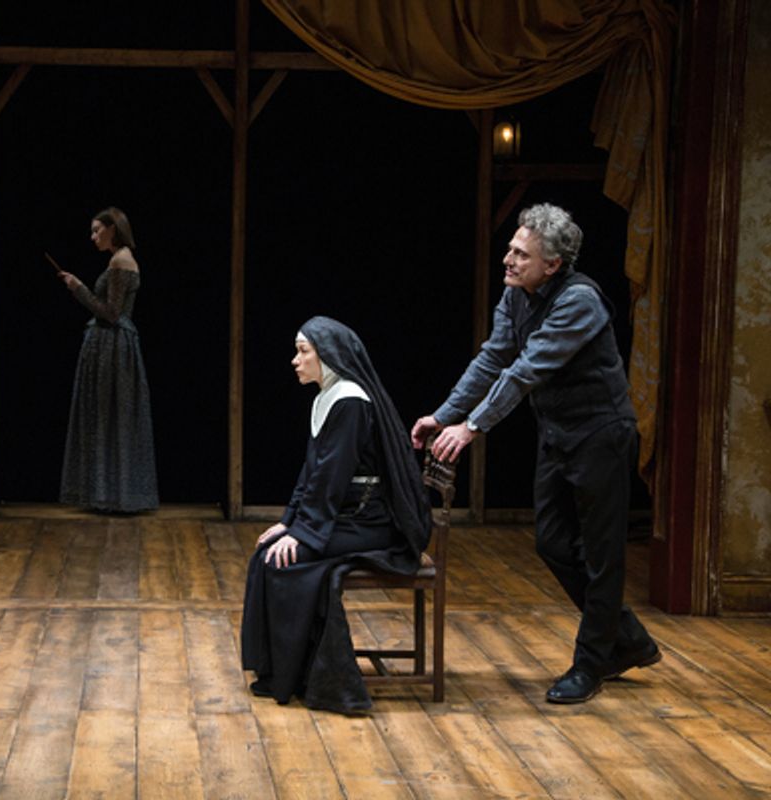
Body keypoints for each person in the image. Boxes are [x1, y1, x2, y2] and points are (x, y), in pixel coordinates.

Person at [411, 203, 660, 704]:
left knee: (601, 557)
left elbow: (525, 371)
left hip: (600, 435)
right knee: (550, 542)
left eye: (521, 254)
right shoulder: (516, 294)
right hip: (558, 434)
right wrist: (444, 414)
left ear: (552, 264)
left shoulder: (579, 301)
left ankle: (592, 663)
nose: (508, 259)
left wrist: (473, 427)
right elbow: (493, 358)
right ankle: (627, 639)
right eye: (510, 248)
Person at [241, 316, 432, 714]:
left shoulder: (349, 400)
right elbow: (311, 472)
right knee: (268, 552)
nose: (295, 360)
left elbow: (333, 477)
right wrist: (288, 522)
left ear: (327, 356)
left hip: (371, 524)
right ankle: (282, 670)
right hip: (346, 517)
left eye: (303, 351)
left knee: (283, 563)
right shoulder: (328, 396)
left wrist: (304, 534)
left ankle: (303, 676)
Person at [53, 206, 158, 512]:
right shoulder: (118, 260)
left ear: (113, 229)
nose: (93, 236)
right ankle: (108, 494)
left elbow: (111, 313)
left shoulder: (121, 260)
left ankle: (115, 495)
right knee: (107, 418)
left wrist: (77, 288)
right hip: (109, 345)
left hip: (113, 346)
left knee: (111, 416)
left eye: (98, 230)